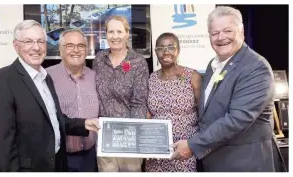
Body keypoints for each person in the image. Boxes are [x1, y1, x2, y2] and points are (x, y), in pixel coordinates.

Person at [171, 6, 287, 172]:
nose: (221, 37)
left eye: (227, 31)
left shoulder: (255, 67)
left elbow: (237, 120)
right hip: (216, 161)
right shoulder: (213, 65)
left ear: (242, 31)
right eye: (215, 33)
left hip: (246, 163)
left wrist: (193, 144)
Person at [0, 20, 100, 172]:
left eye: (41, 41)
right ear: (16, 46)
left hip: (57, 164)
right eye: (28, 41)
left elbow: (53, 120)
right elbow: (1, 144)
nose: (36, 47)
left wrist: (83, 124)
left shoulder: (45, 78)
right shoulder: (2, 79)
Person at [92, 15, 149, 172]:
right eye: (111, 32)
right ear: (106, 34)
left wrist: (131, 136)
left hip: (129, 136)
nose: (115, 36)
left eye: (119, 31)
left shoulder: (138, 62)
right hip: (104, 136)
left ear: (127, 34)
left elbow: (139, 102)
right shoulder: (99, 59)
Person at [145, 32, 202, 172]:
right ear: (156, 52)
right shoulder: (151, 79)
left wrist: (197, 145)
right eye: (160, 48)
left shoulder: (192, 76)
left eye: (171, 47)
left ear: (178, 50)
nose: (165, 52)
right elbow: (148, 114)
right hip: (157, 150)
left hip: (185, 150)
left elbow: (204, 113)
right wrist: (146, 144)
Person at [46, 29, 99, 172]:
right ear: (60, 49)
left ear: (86, 50)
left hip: (90, 157)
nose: (76, 50)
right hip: (59, 159)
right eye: (70, 46)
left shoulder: (96, 77)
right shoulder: (47, 77)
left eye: (81, 46)